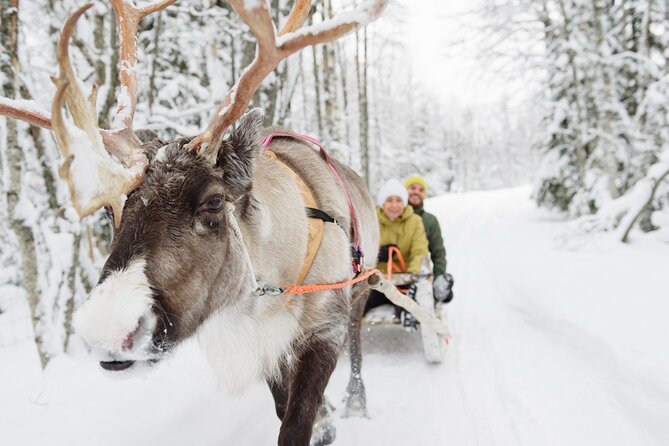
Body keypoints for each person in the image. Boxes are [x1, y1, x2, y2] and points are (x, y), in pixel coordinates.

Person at [365, 178, 429, 315]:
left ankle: (409, 314)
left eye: (398, 200)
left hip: (403, 280)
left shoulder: (415, 222)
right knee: (361, 303)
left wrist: (411, 275)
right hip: (377, 282)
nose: (394, 205)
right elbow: (363, 250)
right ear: (383, 203)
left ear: (404, 203)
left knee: (406, 305)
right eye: (389, 200)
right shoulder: (371, 220)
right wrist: (377, 255)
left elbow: (420, 251)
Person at [404, 175, 454, 303]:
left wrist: (439, 276)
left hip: (419, 273)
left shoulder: (430, 221)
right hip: (392, 270)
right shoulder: (394, 217)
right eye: (412, 188)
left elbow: (438, 253)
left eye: (421, 190)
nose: (416, 192)